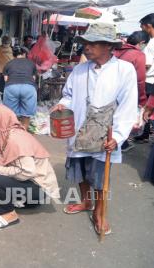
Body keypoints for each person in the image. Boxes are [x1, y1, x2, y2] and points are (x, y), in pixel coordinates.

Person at [53, 23, 138, 235]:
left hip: (104, 133)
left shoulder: (123, 70)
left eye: (93, 44)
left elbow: (128, 105)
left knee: (100, 177)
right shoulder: (80, 69)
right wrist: (64, 104)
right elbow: (69, 95)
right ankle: (85, 202)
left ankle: (99, 212)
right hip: (79, 129)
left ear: (108, 46)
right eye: (86, 43)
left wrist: (118, 136)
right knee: (80, 170)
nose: (87, 47)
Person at [0, 105, 60, 229]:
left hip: (39, 189)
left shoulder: (15, 139)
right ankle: (24, 202)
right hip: (34, 188)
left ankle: (8, 214)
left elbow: (27, 171)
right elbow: (9, 159)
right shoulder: (10, 132)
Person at [114, 30, 149, 151]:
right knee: (122, 119)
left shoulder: (115, 50)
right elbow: (140, 80)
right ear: (142, 42)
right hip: (125, 93)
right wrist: (142, 99)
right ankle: (120, 143)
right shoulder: (138, 55)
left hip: (108, 90)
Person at [3, 46, 37, 131]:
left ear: (13, 55)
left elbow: (6, 79)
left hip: (11, 87)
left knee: (11, 113)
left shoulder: (8, 63)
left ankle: (13, 133)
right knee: (26, 114)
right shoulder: (31, 63)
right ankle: (23, 132)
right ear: (24, 54)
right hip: (28, 87)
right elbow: (33, 78)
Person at [136, 13, 154, 143]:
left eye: (142, 27)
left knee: (145, 108)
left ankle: (144, 133)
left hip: (149, 81)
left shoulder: (151, 43)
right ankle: (146, 134)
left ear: (148, 26)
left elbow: (147, 65)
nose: (142, 30)